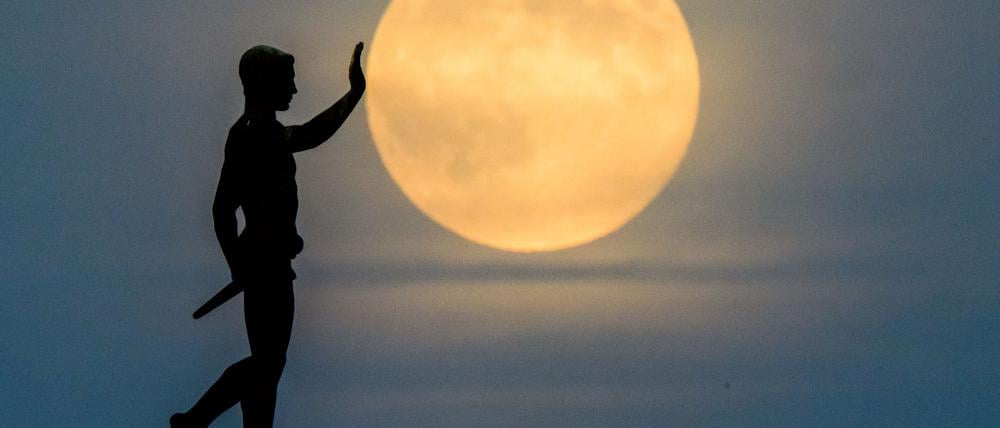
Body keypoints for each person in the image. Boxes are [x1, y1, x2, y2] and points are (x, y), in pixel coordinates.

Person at [171, 42, 366, 428]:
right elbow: (222, 207)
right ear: (264, 84)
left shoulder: (261, 132)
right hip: (265, 266)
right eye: (287, 83)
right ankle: (195, 419)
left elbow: (308, 135)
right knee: (268, 362)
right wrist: (238, 264)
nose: (294, 91)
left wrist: (354, 94)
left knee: (269, 367)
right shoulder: (251, 136)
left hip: (271, 264)